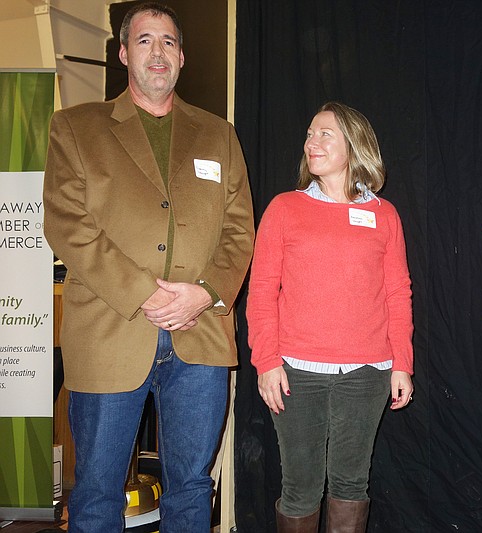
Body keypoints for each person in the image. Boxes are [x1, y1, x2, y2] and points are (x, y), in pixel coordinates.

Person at [42, 3, 254, 531]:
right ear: (123, 54)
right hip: (112, 330)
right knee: (96, 492)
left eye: (167, 42)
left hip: (200, 333)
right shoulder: (75, 127)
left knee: (191, 487)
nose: (157, 52)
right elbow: (68, 226)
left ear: (182, 56)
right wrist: (146, 293)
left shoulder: (219, 135)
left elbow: (239, 231)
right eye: (144, 41)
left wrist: (204, 293)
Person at [247, 102, 414, 532]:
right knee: (300, 485)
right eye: (309, 133)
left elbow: (398, 293)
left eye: (325, 134)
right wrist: (266, 361)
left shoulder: (384, 215)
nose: (311, 142)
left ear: (354, 145)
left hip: (366, 373)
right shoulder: (284, 209)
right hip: (296, 372)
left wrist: (402, 364)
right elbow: (262, 290)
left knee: (351, 484)